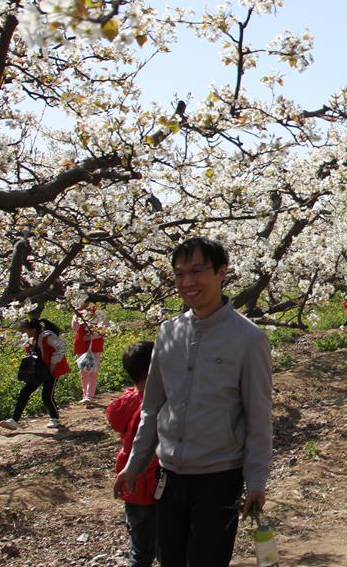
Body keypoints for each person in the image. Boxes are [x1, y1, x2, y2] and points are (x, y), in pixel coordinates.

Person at [114, 237, 273, 566]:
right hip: (169, 474)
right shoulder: (168, 333)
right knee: (170, 560)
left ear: (221, 273)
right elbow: (153, 408)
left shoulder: (248, 339)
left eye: (197, 271)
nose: (187, 282)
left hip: (219, 478)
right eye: (179, 273)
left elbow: (259, 416)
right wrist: (135, 463)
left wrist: (256, 481)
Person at [107, 341, 160, 567]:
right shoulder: (157, 403)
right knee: (167, 548)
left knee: (139, 550)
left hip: (132, 488)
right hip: (157, 487)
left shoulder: (125, 401)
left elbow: (113, 417)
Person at [0, 317, 70, 430]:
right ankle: (14, 420)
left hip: (51, 369)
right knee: (24, 392)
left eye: (26, 330)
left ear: (33, 329)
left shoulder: (47, 335)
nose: (24, 333)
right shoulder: (33, 338)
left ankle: (54, 418)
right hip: (38, 370)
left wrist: (53, 363)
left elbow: (61, 347)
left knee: (47, 396)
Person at [72, 303, 105, 404]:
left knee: (92, 371)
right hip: (81, 345)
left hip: (93, 345)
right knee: (83, 371)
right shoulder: (77, 314)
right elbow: (75, 328)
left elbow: (103, 330)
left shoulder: (97, 313)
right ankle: (85, 394)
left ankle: (89, 395)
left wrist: (91, 337)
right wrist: (76, 317)